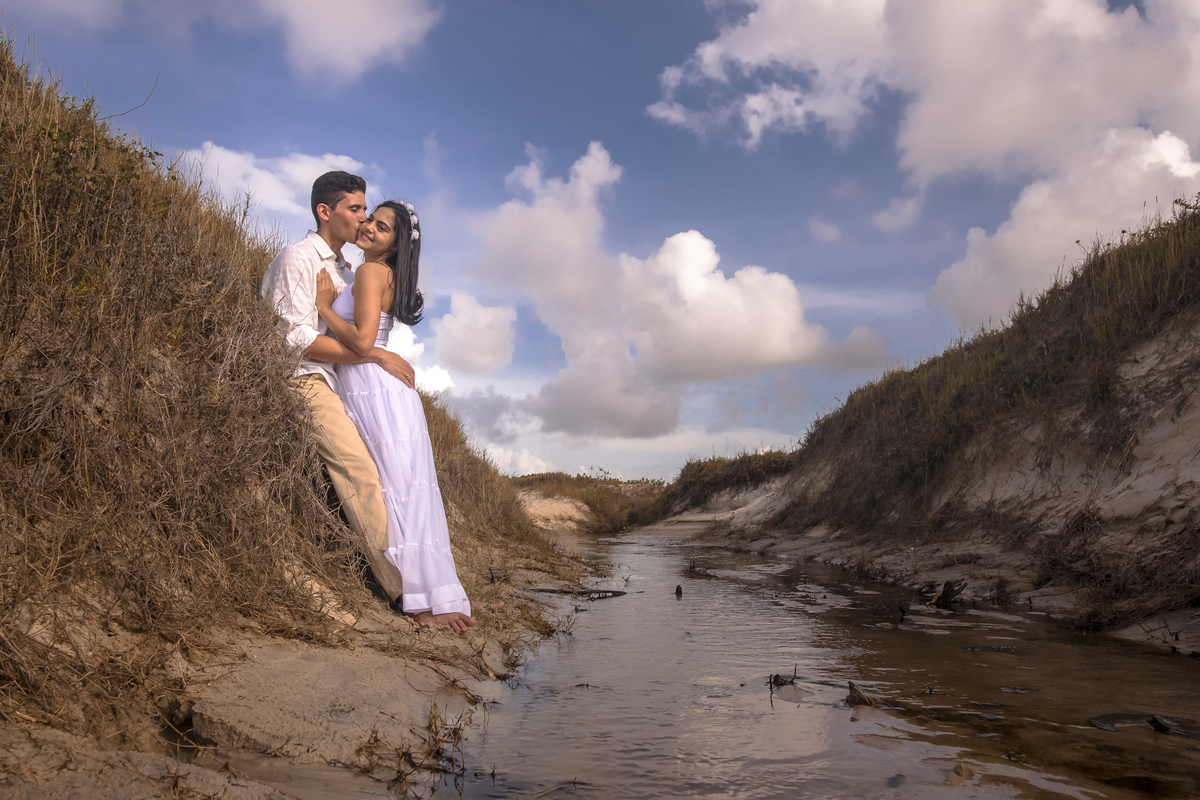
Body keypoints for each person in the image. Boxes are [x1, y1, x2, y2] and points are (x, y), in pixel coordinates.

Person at [314, 199, 476, 633]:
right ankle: (441, 593)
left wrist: (325, 308)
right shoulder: (376, 272)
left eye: (382, 228)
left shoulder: (370, 272)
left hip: (374, 390)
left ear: (396, 244)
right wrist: (378, 352)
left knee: (399, 495)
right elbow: (372, 344)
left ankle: (423, 602)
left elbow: (362, 342)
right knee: (410, 496)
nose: (368, 227)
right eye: (370, 219)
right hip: (379, 388)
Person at [260, 171, 412, 613]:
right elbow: (294, 339)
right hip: (302, 378)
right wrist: (373, 355)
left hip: (339, 382)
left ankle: (423, 574)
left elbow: (357, 329)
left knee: (389, 472)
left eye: (366, 209)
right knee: (359, 471)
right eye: (355, 208)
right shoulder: (298, 258)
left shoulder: (347, 269)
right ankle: (403, 591)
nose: (363, 218)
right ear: (325, 212)